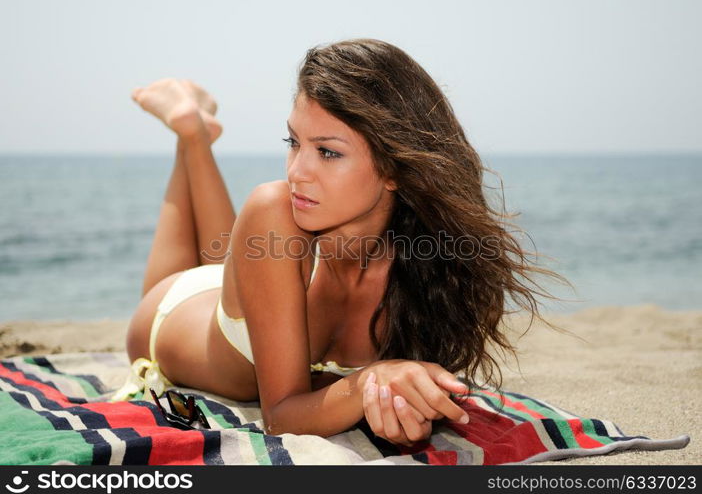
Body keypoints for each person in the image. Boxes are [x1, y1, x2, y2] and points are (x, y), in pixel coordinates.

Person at [114, 38, 572, 447]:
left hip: (257, 279)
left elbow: (400, 394)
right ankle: (192, 135)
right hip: (172, 315)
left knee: (227, 248)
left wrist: (402, 408)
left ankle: (193, 130)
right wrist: (371, 379)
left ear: (394, 167)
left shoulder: (433, 266)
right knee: (236, 235)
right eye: (293, 142)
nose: (297, 171)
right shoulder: (277, 210)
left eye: (328, 152)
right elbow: (281, 417)